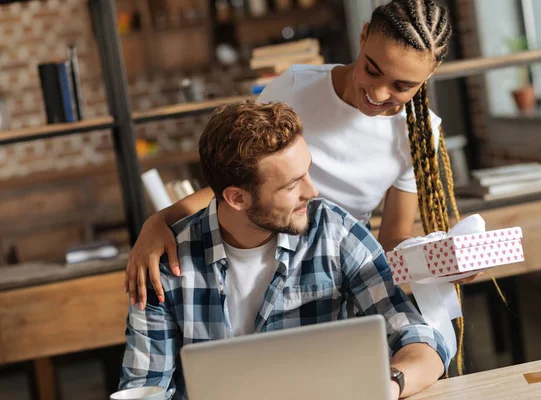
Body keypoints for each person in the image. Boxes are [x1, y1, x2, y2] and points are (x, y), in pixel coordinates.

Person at [125, 0, 462, 310]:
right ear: (363, 36)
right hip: (259, 264)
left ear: (428, 76)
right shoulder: (296, 88)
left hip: (335, 274)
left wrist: (440, 263)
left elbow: (392, 241)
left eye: (402, 86)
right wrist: (159, 221)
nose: (377, 93)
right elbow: (235, 188)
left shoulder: (419, 134)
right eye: (372, 70)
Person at [119, 101, 449, 400]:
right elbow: (145, 386)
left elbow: (419, 338)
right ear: (237, 198)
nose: (312, 190)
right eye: (292, 185)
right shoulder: (164, 265)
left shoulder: (335, 234)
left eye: (306, 172)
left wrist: (387, 386)